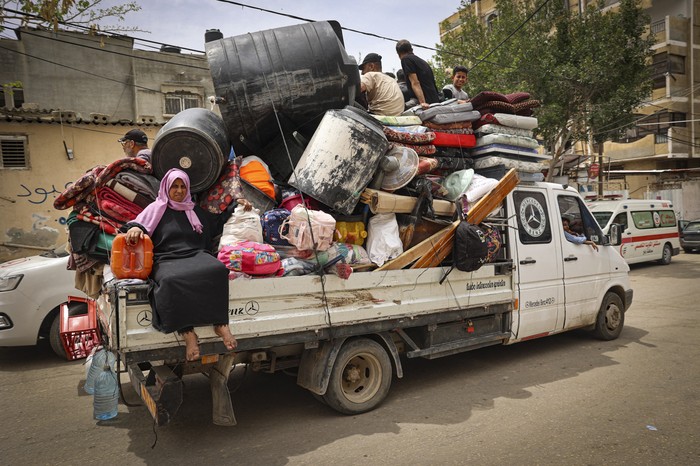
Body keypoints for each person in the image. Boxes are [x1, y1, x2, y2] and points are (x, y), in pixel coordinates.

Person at [124, 168, 251, 361]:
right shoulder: (156, 208)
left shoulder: (193, 210)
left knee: (217, 269)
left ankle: (221, 324)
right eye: (174, 186)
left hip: (196, 254)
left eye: (183, 186)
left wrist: (236, 204)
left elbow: (216, 223)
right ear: (166, 187)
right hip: (166, 258)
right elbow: (138, 224)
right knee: (170, 280)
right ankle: (188, 333)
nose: (179, 190)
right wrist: (134, 228)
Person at [395, 39, 441, 109]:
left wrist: (422, 102)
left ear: (398, 53)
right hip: (434, 99)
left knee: (397, 108)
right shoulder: (422, 62)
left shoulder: (406, 60)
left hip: (424, 101)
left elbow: (415, 82)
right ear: (412, 50)